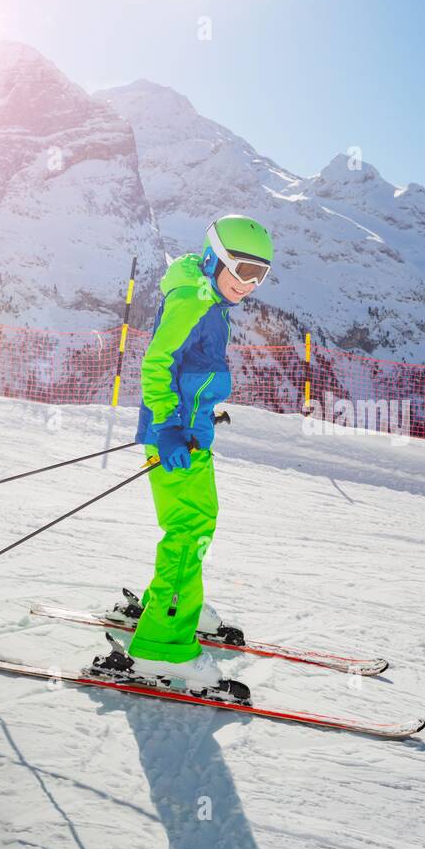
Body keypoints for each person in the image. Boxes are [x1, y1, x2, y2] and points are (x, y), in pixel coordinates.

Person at [93, 215, 273, 696]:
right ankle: (163, 646)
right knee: (189, 529)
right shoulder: (194, 299)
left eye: (261, 275)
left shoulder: (210, 293)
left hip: (189, 433)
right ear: (214, 258)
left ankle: (171, 604)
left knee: (200, 521)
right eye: (242, 270)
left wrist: (197, 413)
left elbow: (193, 365)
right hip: (173, 439)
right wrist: (171, 424)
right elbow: (157, 361)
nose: (248, 284)